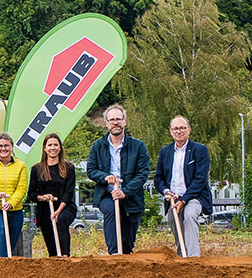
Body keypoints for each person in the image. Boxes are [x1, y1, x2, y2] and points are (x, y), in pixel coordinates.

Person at [86, 104, 149, 255]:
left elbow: (142, 174)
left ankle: (125, 257)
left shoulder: (138, 146)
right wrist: (105, 177)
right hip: (107, 194)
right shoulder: (98, 146)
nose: (115, 122)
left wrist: (124, 192)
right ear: (106, 123)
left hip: (131, 196)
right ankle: (113, 255)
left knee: (127, 242)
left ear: (124, 122)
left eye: (118, 119)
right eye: (112, 120)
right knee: (112, 213)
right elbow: (91, 170)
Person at [153, 116, 212, 258]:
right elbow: (158, 178)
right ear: (171, 132)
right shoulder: (165, 152)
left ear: (189, 130)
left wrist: (184, 200)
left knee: (189, 215)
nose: (179, 131)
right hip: (173, 197)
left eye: (182, 128)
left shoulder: (199, 150)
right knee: (173, 219)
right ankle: (182, 255)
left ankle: (193, 257)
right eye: (175, 129)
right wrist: (166, 191)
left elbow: (200, 179)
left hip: (194, 196)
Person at [27, 133, 77, 257]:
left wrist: (58, 211)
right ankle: (54, 259)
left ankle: (65, 255)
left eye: (56, 145)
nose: (53, 148)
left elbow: (68, 192)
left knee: (60, 221)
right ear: (45, 148)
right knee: (52, 249)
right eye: (50, 145)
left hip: (65, 207)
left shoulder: (69, 168)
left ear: (60, 148)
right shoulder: (36, 169)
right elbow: (32, 193)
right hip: (45, 209)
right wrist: (42, 197)